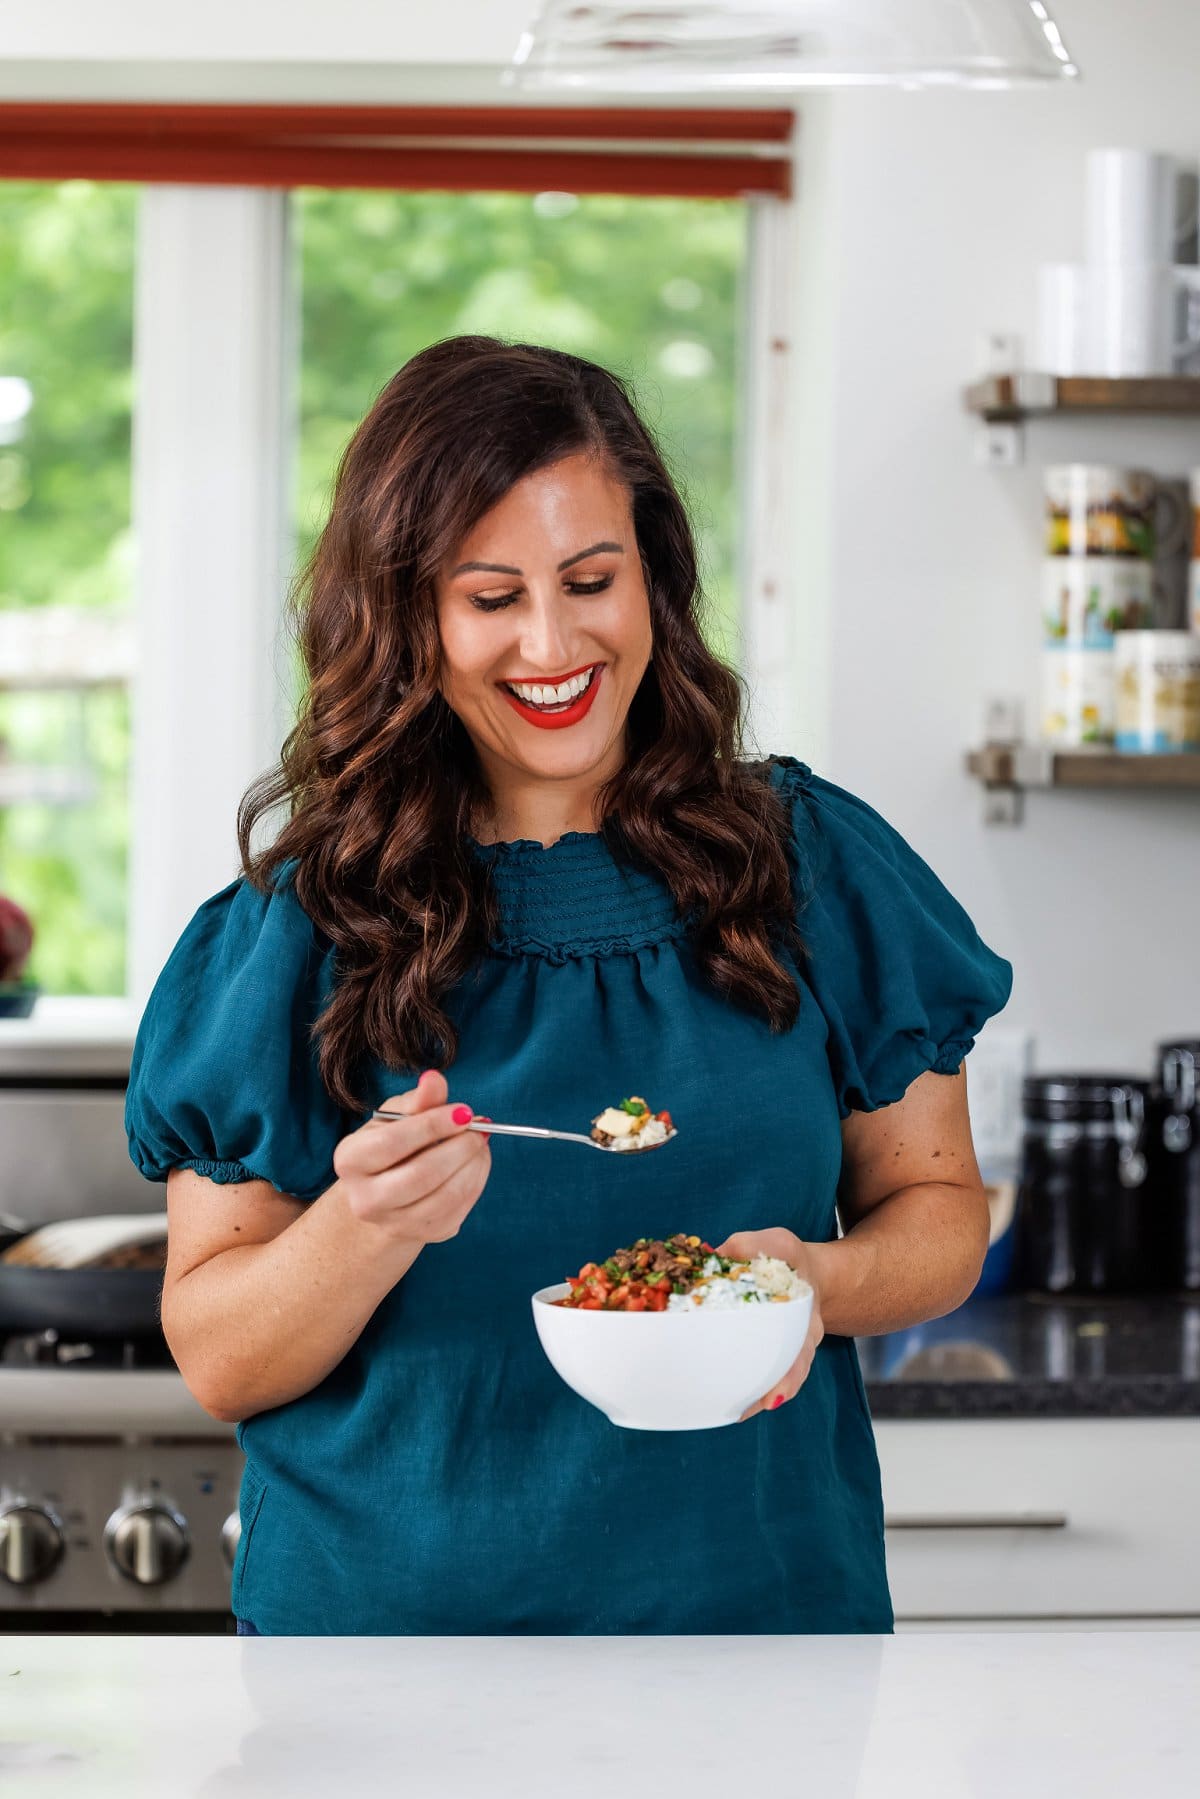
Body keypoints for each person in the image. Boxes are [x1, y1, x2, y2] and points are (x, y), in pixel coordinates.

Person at [125, 335, 1013, 1636]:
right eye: (491, 597)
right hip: (378, 1684)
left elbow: (938, 1205)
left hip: (760, 1645)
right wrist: (364, 1225)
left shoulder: (813, 865)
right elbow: (221, 1358)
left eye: (591, 579)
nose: (553, 642)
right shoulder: (292, 931)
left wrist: (817, 1284)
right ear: (410, 615)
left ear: (652, 575)